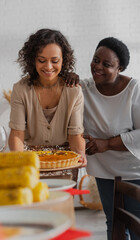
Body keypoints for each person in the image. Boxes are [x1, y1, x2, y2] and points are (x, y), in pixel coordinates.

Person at [67, 37, 140, 240]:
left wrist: (106, 144)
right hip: (106, 171)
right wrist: (67, 78)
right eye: (95, 60)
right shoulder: (83, 89)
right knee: (114, 225)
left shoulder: (134, 89)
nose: (97, 67)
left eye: (106, 64)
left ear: (120, 68)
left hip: (138, 170)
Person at [8, 28, 87, 166]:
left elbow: (75, 134)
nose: (48, 67)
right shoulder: (20, 89)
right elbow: (17, 134)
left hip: (65, 160)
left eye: (55, 60)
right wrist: (18, 161)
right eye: (42, 60)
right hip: (29, 161)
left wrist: (80, 155)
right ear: (33, 60)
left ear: (63, 60)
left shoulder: (74, 92)